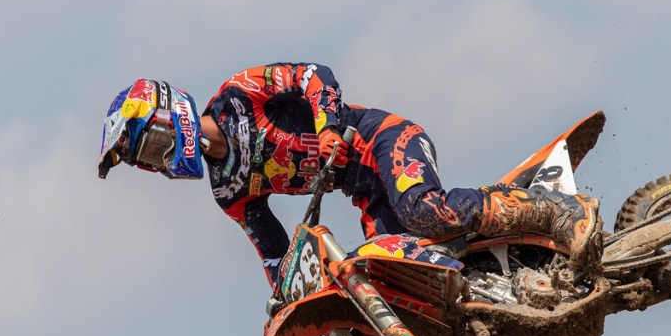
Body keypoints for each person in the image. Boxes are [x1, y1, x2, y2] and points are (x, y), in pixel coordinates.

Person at [98, 64, 599, 291]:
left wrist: (328, 127)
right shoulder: (228, 191)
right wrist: (284, 295)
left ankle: (559, 210)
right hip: (365, 191)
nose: (163, 163)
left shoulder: (239, 94)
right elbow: (274, 252)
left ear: (170, 112)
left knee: (423, 211)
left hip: (383, 139)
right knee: (399, 278)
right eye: (151, 162)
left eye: (155, 147)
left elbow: (314, 75)